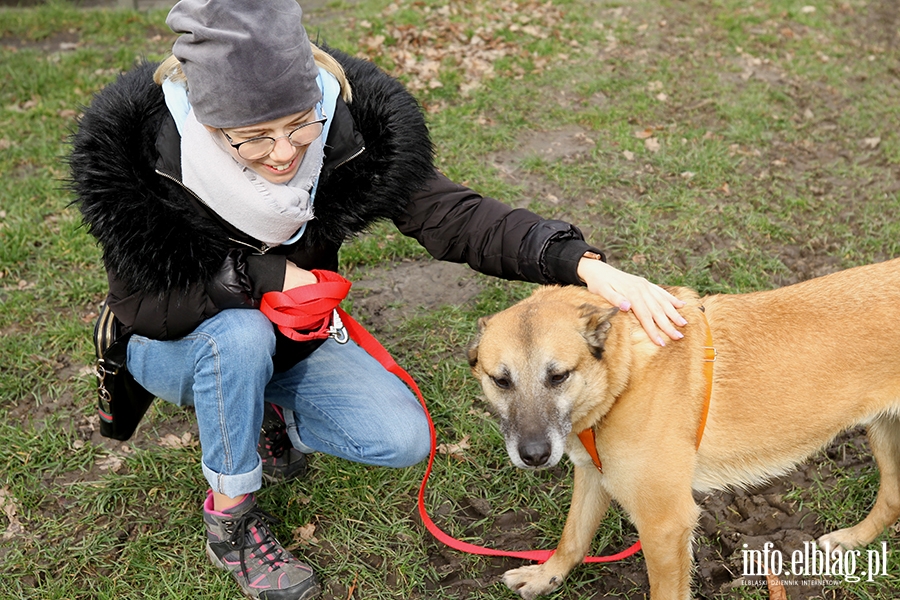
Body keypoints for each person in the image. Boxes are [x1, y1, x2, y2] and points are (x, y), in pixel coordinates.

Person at [69, 1, 686, 598]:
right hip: (169, 344)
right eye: (254, 139)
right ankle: (230, 521)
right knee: (239, 337)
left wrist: (575, 261)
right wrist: (254, 277)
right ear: (207, 123)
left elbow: (455, 217)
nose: (285, 153)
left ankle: (264, 412)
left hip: (293, 341)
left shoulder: (347, 130)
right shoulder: (143, 165)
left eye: (298, 125)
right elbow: (140, 307)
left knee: (402, 438)